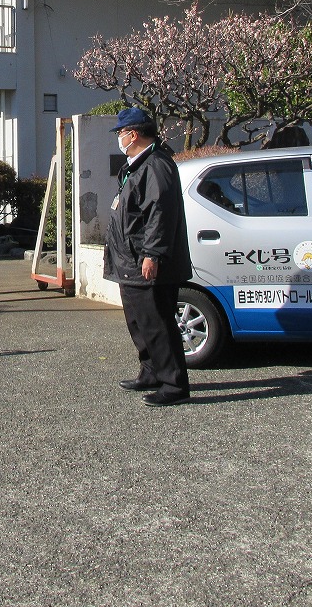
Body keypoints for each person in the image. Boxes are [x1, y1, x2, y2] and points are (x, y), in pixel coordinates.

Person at [103, 107, 193, 406]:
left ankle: (174, 384)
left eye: (121, 133)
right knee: (139, 321)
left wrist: (152, 253)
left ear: (134, 134)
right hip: (129, 259)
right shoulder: (136, 164)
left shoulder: (155, 165)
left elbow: (160, 213)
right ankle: (151, 370)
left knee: (157, 321)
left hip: (146, 259)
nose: (119, 137)